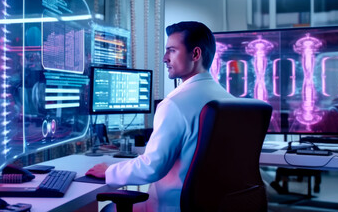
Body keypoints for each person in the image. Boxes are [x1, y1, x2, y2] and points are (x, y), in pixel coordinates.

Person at [86, 21, 235, 212]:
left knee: (108, 209)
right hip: (216, 205)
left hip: (173, 206)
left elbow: (152, 167)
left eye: (172, 50)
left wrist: (109, 171)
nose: (165, 58)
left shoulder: (175, 104)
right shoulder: (228, 99)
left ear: (195, 54)